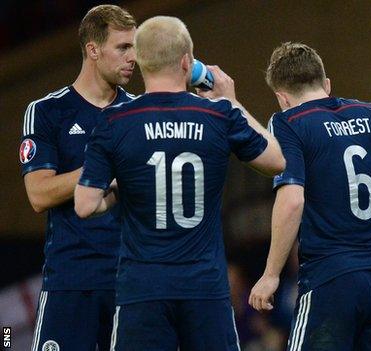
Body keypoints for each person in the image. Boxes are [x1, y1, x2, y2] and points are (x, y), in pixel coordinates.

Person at [74, 16, 284, 350]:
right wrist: (231, 101)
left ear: (140, 61)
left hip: (142, 290)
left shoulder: (114, 121)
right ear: (187, 62)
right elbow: (277, 161)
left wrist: (119, 187)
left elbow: (84, 205)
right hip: (205, 289)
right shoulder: (219, 115)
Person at [248, 42, 371, 351]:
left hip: (332, 279)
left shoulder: (288, 123)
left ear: (281, 98)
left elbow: (292, 200)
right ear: (326, 84)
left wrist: (270, 274)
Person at [19, 5, 136, 350]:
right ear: (93, 50)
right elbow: (38, 195)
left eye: (135, 47)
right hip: (70, 282)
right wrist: (100, 168)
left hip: (129, 282)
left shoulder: (138, 113)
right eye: (123, 48)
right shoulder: (46, 111)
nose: (134, 58)